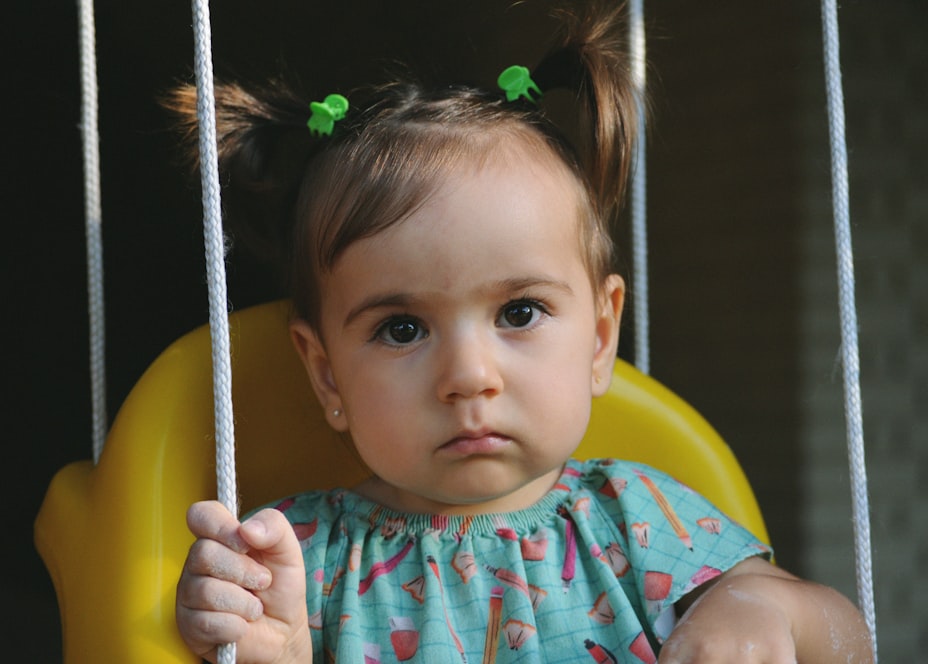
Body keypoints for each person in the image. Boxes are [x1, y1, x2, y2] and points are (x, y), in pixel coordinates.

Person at [171, 3, 874, 662]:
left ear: (601, 339)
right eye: (403, 327)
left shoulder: (638, 522)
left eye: (519, 312)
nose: (469, 375)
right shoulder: (295, 559)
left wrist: (758, 608)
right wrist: (277, 647)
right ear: (326, 374)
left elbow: (846, 637)